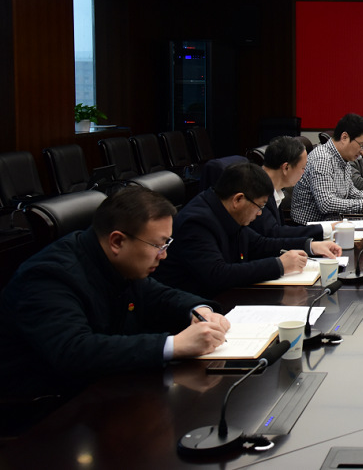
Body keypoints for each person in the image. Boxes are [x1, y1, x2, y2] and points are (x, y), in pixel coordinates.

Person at [0, 186, 230, 399]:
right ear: (117, 241)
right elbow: (74, 351)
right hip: (46, 407)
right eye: (158, 245)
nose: (164, 255)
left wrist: (200, 310)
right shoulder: (48, 276)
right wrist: (175, 345)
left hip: (102, 387)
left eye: (166, 244)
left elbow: (158, 295)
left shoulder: (115, 263)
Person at [154, 162, 340, 297]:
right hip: (198, 308)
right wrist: (279, 265)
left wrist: (310, 246)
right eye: (259, 207)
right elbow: (217, 274)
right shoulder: (196, 222)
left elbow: (259, 243)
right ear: (238, 199)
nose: (259, 214)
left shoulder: (225, 210)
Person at [292, 112, 363, 223]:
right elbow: (327, 204)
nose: (362, 151)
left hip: (334, 222)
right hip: (313, 228)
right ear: (344, 137)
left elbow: (350, 191)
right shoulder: (322, 159)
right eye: (362, 145)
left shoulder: (343, 157)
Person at [253, 136, 337, 242]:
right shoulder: (257, 191)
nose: (304, 172)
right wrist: (326, 229)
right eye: (303, 168)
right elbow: (274, 233)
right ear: (286, 167)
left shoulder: (272, 187)